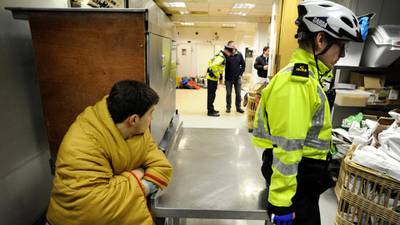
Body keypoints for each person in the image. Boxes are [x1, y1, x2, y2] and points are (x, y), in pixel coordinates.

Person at [252, 1, 363, 225]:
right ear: (320, 40)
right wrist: (282, 202)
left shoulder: (311, 77)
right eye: (341, 46)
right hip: (295, 184)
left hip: (302, 180)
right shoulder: (297, 83)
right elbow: (288, 147)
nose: (342, 54)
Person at [46, 80, 173, 225]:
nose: (151, 119)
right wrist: (137, 176)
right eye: (150, 114)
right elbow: (93, 207)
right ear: (134, 119)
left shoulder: (139, 132)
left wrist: (130, 183)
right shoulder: (83, 141)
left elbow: (162, 166)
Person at [206, 45, 234, 117]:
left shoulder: (219, 55)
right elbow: (213, 65)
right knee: (211, 95)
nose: (230, 55)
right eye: (230, 53)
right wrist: (217, 75)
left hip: (212, 78)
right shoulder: (221, 57)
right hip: (212, 78)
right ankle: (210, 111)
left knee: (212, 94)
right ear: (227, 51)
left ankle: (211, 109)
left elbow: (210, 62)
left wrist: (219, 75)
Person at [225, 41, 246, 113]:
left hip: (237, 78)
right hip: (228, 78)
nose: (233, 47)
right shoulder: (226, 55)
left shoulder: (239, 54)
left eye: (234, 45)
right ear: (228, 47)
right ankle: (228, 107)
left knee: (238, 94)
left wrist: (240, 73)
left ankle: (238, 107)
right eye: (231, 46)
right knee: (228, 94)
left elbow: (243, 65)